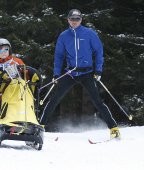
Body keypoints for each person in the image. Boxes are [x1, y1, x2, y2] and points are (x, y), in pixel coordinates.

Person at [40, 9, 120, 139]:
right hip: (70, 72)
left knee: (97, 101)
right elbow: (59, 56)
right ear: (68, 20)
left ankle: (114, 128)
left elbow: (99, 51)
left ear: (81, 20)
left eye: (77, 19)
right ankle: (41, 126)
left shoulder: (89, 34)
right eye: (72, 19)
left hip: (87, 72)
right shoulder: (64, 36)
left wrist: (98, 70)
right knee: (54, 99)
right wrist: (56, 74)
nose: (74, 21)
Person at [0, 38, 24, 137]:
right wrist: (2, 74)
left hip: (15, 94)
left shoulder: (16, 61)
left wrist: (23, 71)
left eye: (6, 49)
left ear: (9, 50)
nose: (4, 52)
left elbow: (26, 72)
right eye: (0, 50)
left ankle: (21, 127)